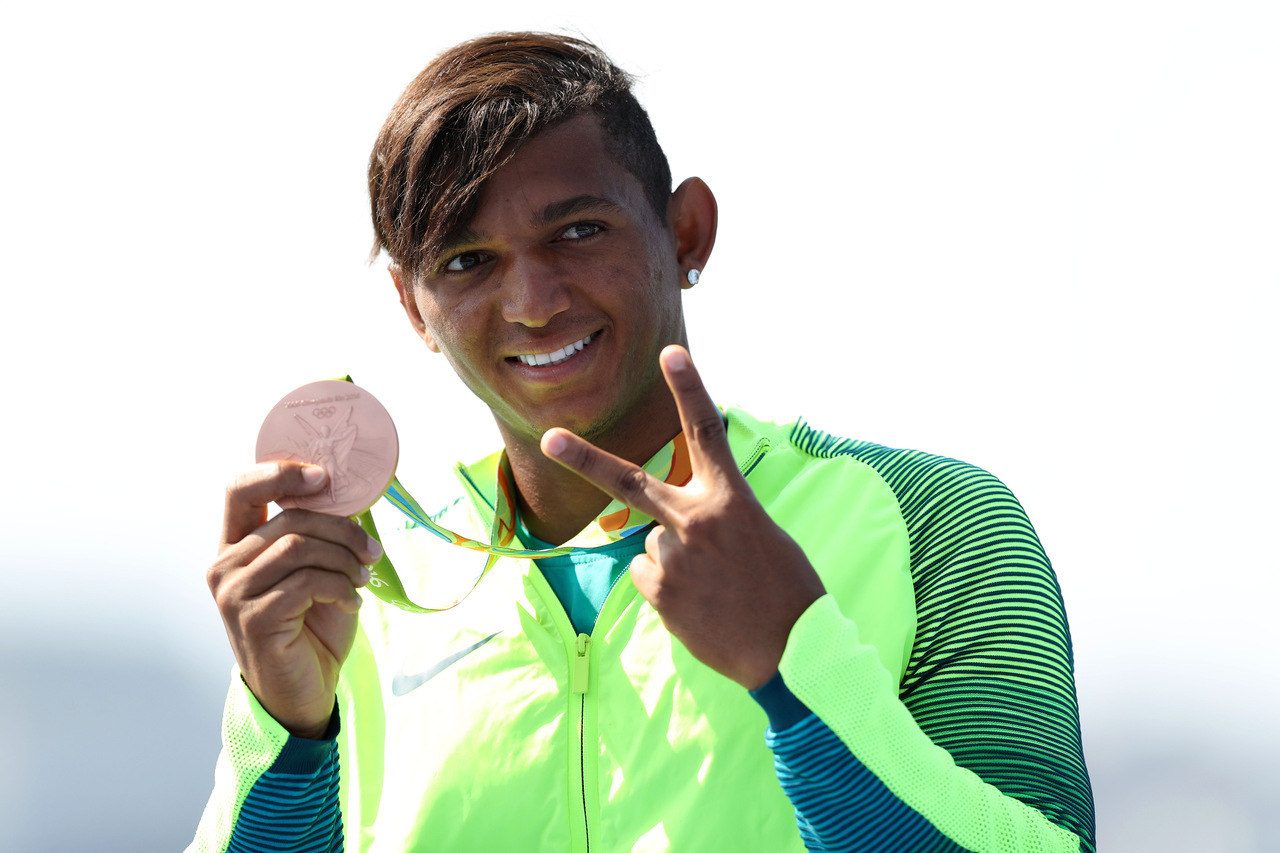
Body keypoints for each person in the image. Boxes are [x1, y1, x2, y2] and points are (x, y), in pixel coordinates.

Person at [190, 32, 1095, 852]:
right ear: (411, 306)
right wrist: (288, 738)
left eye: (578, 231)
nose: (534, 301)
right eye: (467, 260)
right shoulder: (363, 582)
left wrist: (797, 669)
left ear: (687, 231)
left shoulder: (937, 524)